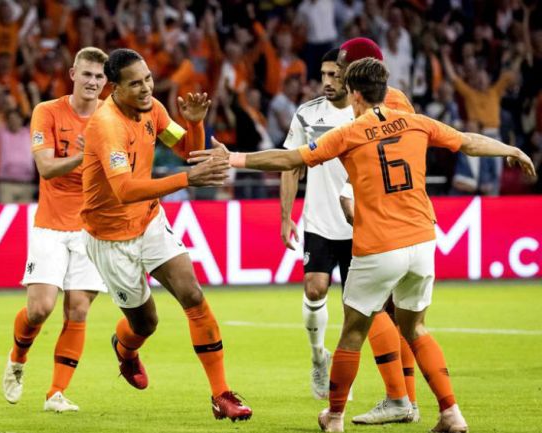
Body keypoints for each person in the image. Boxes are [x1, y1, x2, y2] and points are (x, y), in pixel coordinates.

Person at [190, 57, 536, 433]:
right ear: (383, 90)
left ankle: (335, 417)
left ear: (354, 93)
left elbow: (291, 158)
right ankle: (451, 413)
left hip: (379, 245)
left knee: (353, 333)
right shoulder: (418, 123)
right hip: (422, 242)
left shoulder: (350, 133)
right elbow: (468, 142)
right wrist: (512, 150)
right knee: (416, 329)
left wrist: (234, 158)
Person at [80, 48, 251, 421]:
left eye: (148, 79)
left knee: (192, 293)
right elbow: (124, 189)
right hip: (110, 237)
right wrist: (188, 179)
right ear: (114, 88)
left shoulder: (153, 109)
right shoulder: (105, 125)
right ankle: (125, 349)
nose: (145, 88)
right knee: (146, 323)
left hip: (149, 221)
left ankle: (221, 394)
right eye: (135, 84)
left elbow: (190, 150)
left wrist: (194, 124)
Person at [282, 41, 420, 425]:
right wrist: (285, 214)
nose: (332, 78)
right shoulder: (314, 112)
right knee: (369, 307)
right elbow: (291, 163)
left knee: (380, 312)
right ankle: (401, 399)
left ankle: (398, 400)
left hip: (374, 221)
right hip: (338, 221)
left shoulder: (382, 107)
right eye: (328, 72)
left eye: (338, 70)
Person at [1, 47, 109, 413]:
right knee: (40, 308)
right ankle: (17, 357)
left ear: (106, 81)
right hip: (51, 225)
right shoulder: (46, 111)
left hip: (92, 228)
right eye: (87, 74)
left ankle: (56, 393)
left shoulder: (111, 117)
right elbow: (46, 168)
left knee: (78, 309)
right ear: (72, 74)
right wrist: (85, 155)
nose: (93, 82)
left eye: (99, 76)